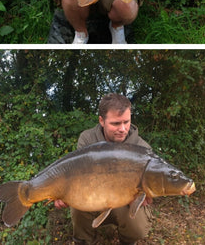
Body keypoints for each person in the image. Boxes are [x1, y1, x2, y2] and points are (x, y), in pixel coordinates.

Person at [54, 93, 152, 244]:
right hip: (94, 196)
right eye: (116, 124)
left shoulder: (142, 148)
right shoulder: (87, 139)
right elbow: (76, 176)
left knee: (137, 228)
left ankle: (127, 240)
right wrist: (63, 192)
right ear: (102, 121)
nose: (123, 129)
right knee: (78, 201)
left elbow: (153, 185)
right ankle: (85, 240)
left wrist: (145, 195)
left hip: (125, 202)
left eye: (127, 122)